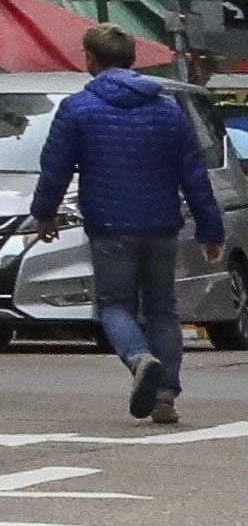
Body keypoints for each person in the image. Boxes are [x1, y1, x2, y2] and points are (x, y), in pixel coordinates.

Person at [28, 22, 227, 428]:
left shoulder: (77, 110)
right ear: (133, 60)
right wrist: (211, 230)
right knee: (162, 310)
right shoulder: (168, 109)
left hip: (109, 224)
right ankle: (166, 396)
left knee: (115, 305)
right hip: (161, 224)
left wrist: (44, 214)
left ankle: (139, 359)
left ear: (90, 60)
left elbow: (55, 170)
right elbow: (195, 176)